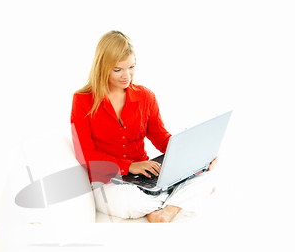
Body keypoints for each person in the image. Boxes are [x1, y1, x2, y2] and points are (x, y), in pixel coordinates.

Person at [70, 30, 217, 223]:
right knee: (128, 202)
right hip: (108, 182)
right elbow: (85, 155)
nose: (126, 76)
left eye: (131, 67)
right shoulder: (82, 100)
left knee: (210, 174)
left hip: (146, 176)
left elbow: (161, 137)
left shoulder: (146, 97)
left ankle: (168, 209)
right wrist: (130, 166)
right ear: (102, 67)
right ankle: (176, 201)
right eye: (117, 70)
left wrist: (194, 157)